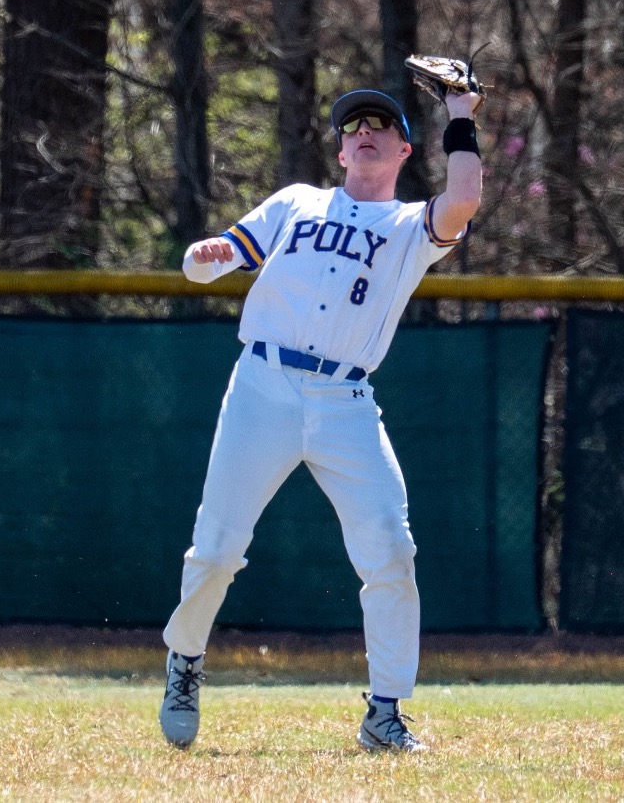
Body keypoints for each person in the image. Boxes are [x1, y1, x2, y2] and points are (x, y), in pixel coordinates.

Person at [158, 84, 484, 753]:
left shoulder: (407, 228)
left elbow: (465, 200)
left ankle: (384, 712)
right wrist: (202, 256)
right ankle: (184, 660)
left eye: (379, 124)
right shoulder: (295, 204)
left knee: (391, 551)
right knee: (217, 549)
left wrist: (459, 117)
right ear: (339, 149)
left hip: (345, 401)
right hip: (263, 384)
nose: (363, 131)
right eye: (352, 125)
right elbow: (205, 264)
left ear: (402, 148)